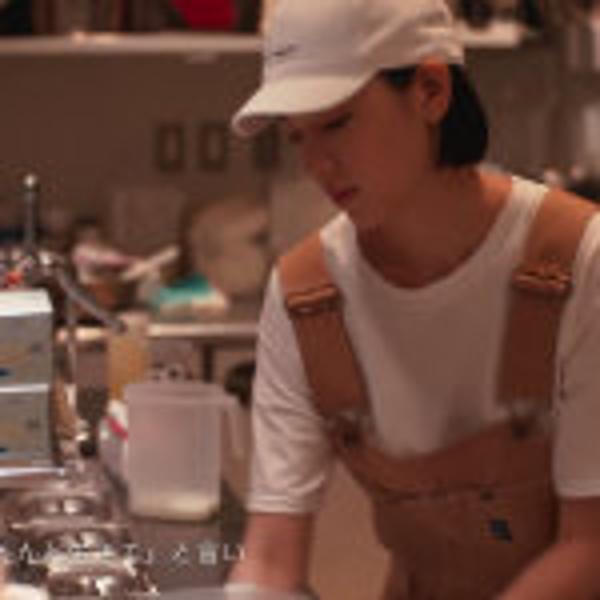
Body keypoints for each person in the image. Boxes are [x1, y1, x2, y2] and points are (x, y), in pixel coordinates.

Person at [226, 0, 600, 598]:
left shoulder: (577, 260)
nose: (315, 164)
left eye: (337, 122)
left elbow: (590, 546)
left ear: (430, 90)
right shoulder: (307, 298)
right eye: (296, 136)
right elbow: (271, 557)